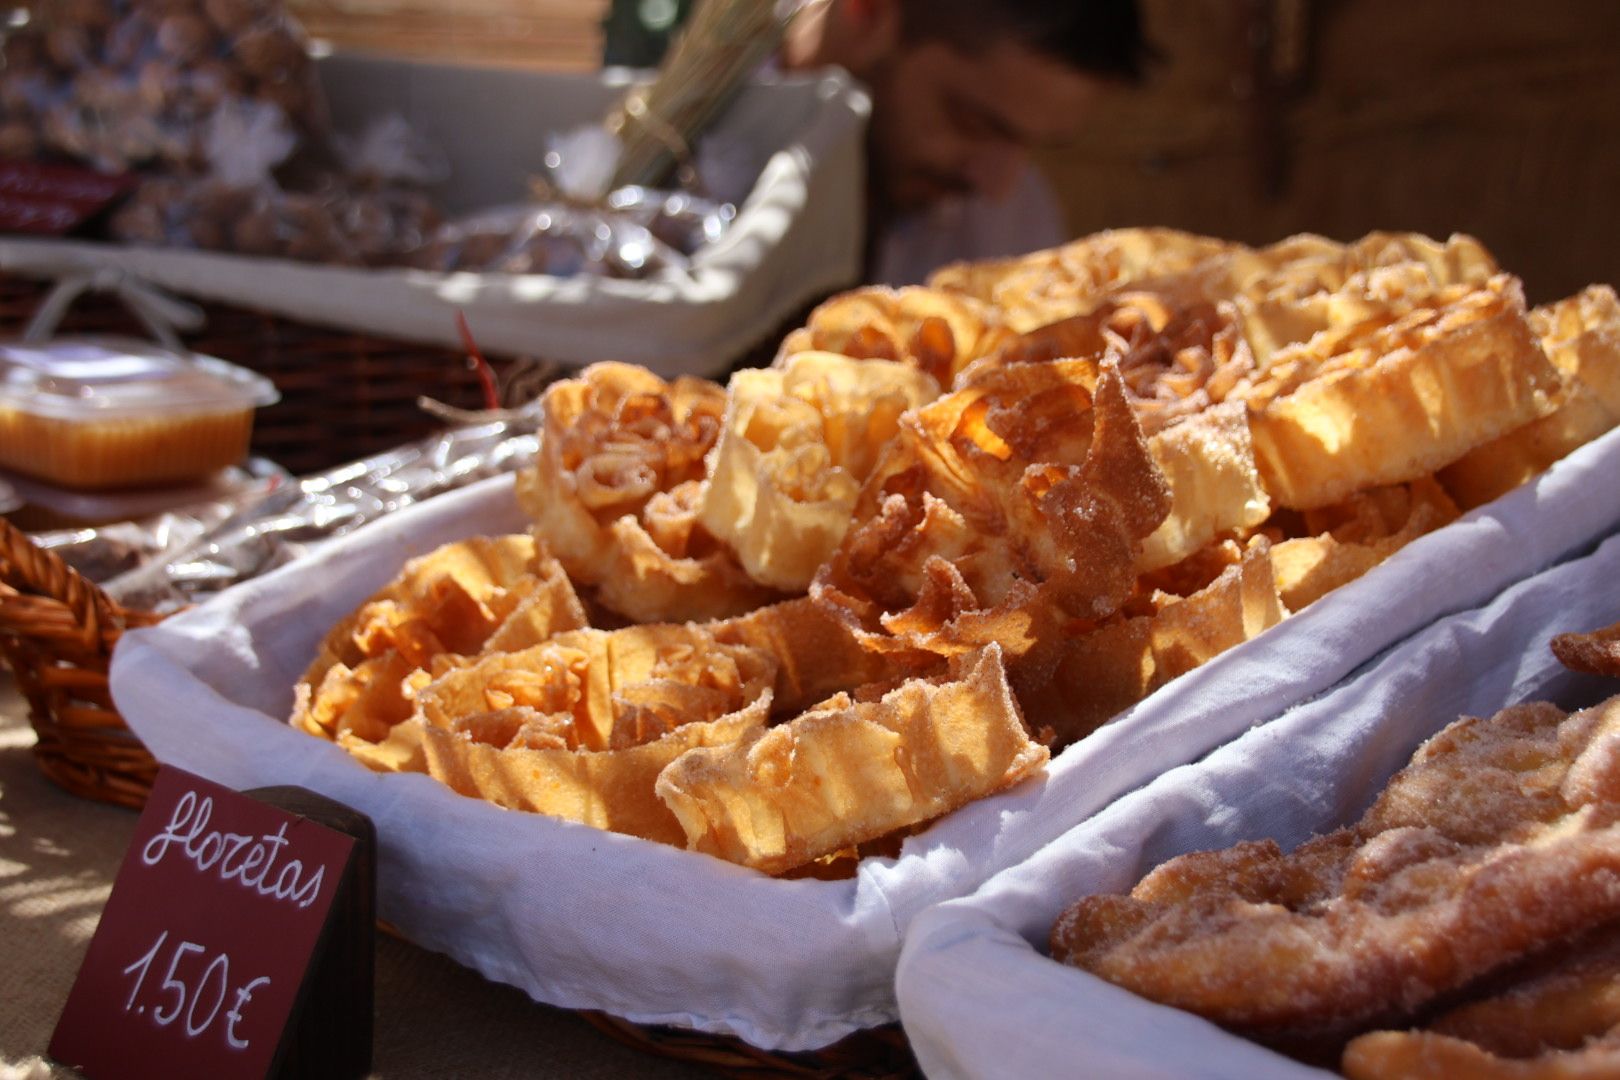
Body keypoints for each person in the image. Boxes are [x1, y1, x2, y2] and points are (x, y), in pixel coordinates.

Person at [776, 0, 1152, 284]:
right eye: (972, 123)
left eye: (1030, 145)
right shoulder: (718, 136)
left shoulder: (1013, 222)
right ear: (867, 13)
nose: (998, 186)